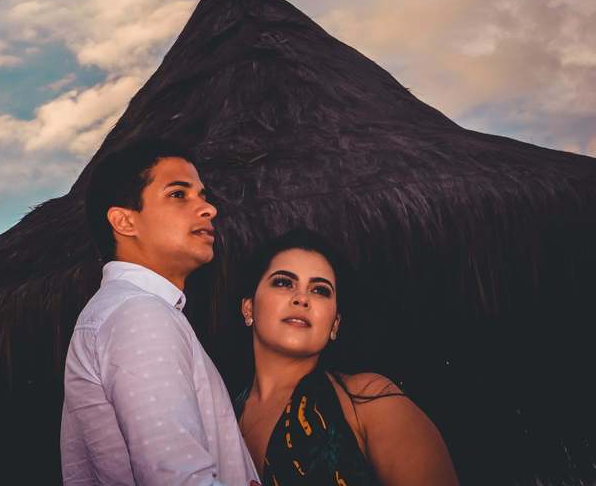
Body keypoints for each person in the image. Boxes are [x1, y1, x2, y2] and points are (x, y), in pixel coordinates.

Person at [62, 138, 260, 485]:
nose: (209, 209)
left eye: (203, 196)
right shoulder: (139, 315)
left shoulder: (130, 311)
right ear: (125, 221)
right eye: (179, 194)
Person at [236, 229, 458, 485]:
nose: (302, 298)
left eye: (320, 290)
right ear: (249, 308)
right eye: (284, 283)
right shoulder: (219, 413)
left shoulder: (368, 399)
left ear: (335, 325)